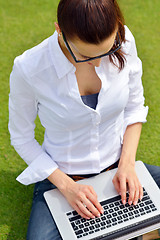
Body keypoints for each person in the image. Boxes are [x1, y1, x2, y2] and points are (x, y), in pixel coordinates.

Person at [8, 0, 160, 239]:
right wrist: (67, 187)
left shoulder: (124, 39)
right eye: (85, 56)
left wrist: (128, 164)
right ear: (60, 31)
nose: (99, 63)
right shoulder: (29, 68)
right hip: (62, 178)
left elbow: (134, 108)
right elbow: (21, 138)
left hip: (119, 167)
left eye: (108, 51)